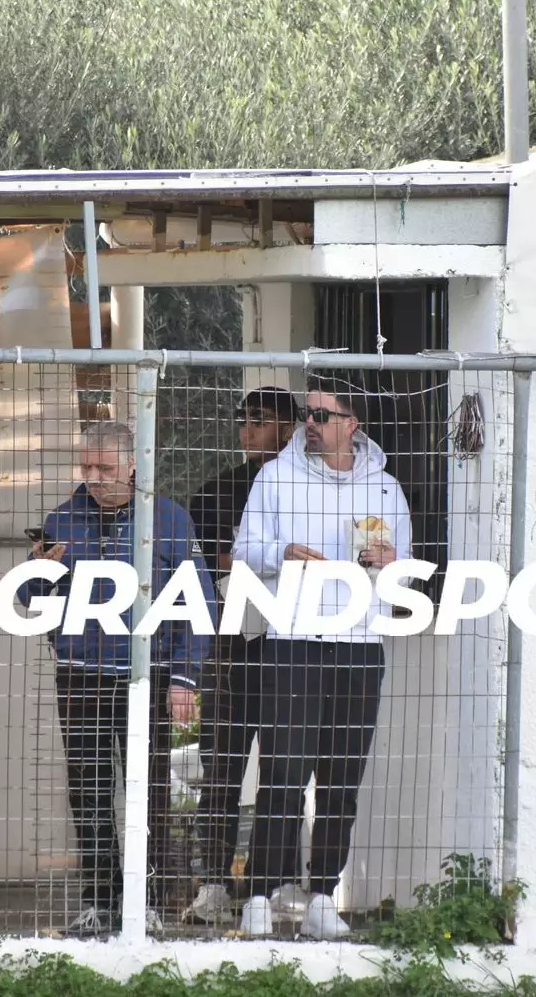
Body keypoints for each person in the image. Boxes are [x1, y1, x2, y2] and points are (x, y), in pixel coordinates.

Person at [16, 419, 215, 936]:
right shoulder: (62, 519)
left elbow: (199, 602)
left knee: (148, 791)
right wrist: (38, 570)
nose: (94, 477)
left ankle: (147, 902)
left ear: (132, 466)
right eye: (86, 466)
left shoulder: (168, 518)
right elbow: (28, 600)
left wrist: (185, 678)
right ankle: (99, 901)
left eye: (104, 467)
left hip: (146, 676)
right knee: (88, 790)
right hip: (80, 674)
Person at [230, 377, 412, 939]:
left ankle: (324, 897)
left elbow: (403, 574)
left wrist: (392, 561)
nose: (309, 423)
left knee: (341, 779)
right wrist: (281, 552)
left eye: (323, 416)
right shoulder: (275, 477)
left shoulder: (386, 489)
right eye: (307, 414)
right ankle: (258, 894)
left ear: (352, 425)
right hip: (292, 640)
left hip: (359, 645)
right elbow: (242, 551)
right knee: (284, 773)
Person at [182, 386, 301, 927]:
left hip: (292, 639)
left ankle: (272, 882)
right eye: (243, 419)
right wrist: (271, 559)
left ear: (289, 428)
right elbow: (212, 562)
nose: (247, 429)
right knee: (222, 766)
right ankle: (213, 883)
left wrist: (255, 558)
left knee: (285, 766)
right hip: (231, 642)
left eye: (261, 419)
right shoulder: (217, 490)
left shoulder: (305, 488)